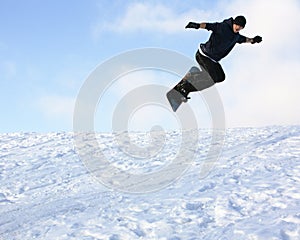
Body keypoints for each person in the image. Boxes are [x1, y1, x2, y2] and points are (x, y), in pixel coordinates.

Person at [175, 16, 262, 101]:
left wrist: (253, 40)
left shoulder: (236, 36)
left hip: (212, 60)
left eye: (241, 27)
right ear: (234, 23)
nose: (238, 28)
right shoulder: (223, 27)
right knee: (211, 79)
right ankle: (184, 87)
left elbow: (244, 39)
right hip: (204, 55)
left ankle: (192, 77)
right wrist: (197, 25)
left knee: (220, 77)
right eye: (237, 25)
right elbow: (208, 25)